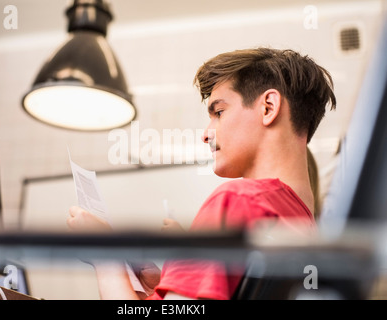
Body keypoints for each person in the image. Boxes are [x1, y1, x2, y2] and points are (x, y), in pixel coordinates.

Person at [67, 47, 336, 300]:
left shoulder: (239, 199)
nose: (206, 134)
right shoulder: (304, 224)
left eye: (219, 112)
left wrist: (104, 255)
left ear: (268, 107)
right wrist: (161, 287)